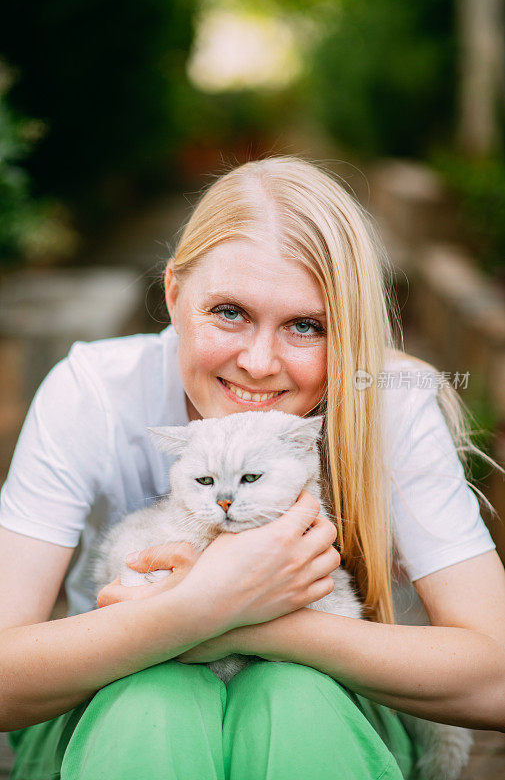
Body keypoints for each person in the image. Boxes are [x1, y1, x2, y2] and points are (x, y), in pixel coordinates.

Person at [1, 156, 504, 780]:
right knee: (152, 702)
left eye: (306, 326)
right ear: (174, 294)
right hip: (107, 705)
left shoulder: (388, 403)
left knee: (291, 701)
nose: (259, 361)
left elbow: (497, 679)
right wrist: (195, 609)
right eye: (230, 312)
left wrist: (254, 622)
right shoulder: (94, 391)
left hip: (331, 705)